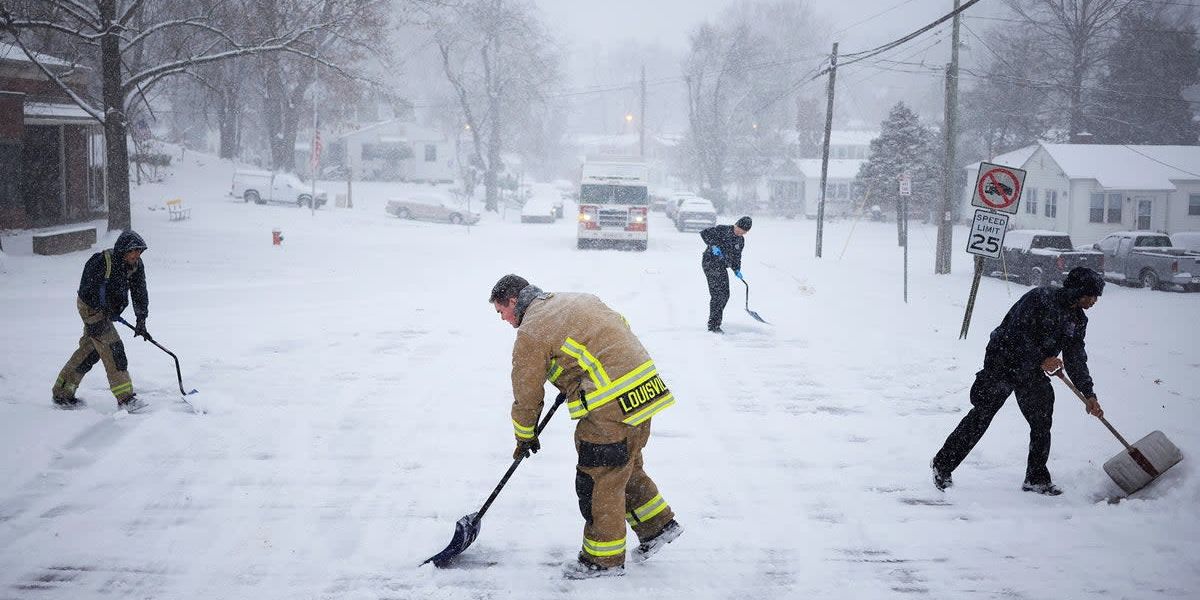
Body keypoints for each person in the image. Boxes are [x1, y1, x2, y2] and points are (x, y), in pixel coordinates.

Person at [489, 274, 682, 579]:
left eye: (502, 311)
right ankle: (658, 526)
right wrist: (576, 375)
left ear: (513, 300)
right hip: (645, 391)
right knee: (623, 464)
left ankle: (602, 560)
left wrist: (525, 435)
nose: (503, 319)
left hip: (610, 404)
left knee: (599, 479)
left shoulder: (532, 331)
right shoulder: (577, 299)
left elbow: (526, 392)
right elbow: (615, 332)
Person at [931, 267, 1106, 496]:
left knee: (1042, 420)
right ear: (1077, 291)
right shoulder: (1040, 298)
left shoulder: (1077, 320)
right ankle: (942, 465)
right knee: (983, 414)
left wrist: (1088, 393)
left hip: (1031, 370)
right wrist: (1042, 358)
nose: (1094, 301)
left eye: (1096, 297)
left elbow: (1075, 357)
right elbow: (1015, 333)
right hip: (1003, 361)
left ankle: (1036, 478)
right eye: (1090, 295)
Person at [51, 231, 151, 412]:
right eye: (132, 251)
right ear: (122, 250)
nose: (136, 255)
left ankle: (62, 392)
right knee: (114, 349)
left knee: (90, 351)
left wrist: (141, 319)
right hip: (91, 308)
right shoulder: (103, 261)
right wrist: (101, 306)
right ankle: (126, 398)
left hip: (107, 310)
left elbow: (139, 291)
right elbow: (86, 287)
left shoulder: (135, 265)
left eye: (139, 251)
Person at [699, 216, 752, 333]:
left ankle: (715, 319)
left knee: (725, 295)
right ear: (736, 225)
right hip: (710, 263)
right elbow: (704, 233)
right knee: (717, 295)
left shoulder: (740, 240)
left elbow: (737, 257)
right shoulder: (722, 229)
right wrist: (712, 245)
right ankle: (713, 325)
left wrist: (737, 269)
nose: (740, 232)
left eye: (744, 232)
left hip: (722, 266)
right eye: (740, 229)